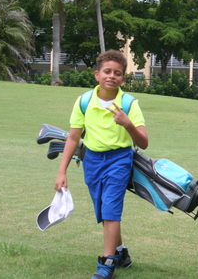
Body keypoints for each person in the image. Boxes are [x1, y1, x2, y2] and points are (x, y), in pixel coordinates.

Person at [54, 50, 148, 279]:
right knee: (103, 212)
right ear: (97, 74)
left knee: (111, 211)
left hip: (120, 159)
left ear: (123, 79)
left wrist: (127, 124)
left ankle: (107, 265)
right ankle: (121, 253)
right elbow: (74, 138)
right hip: (92, 161)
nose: (112, 76)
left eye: (118, 73)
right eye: (107, 71)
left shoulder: (129, 103)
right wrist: (61, 171)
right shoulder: (84, 101)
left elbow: (143, 142)